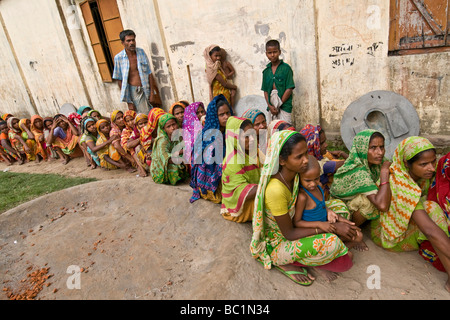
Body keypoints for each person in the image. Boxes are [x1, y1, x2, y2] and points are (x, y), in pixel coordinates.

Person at [250, 131, 354, 285]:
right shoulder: (276, 190)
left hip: (300, 222)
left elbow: (314, 198)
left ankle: (314, 258)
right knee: (334, 244)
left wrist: (328, 213)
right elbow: (289, 233)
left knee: (340, 209)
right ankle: (283, 261)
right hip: (280, 241)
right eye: (299, 157)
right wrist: (327, 228)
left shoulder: (297, 175)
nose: (306, 160)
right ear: (282, 160)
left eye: (306, 153)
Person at [370, 137, 450, 292]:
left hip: (410, 220)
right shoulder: (401, 184)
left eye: (433, 162)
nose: (431, 168)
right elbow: (429, 230)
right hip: (389, 235)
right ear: (406, 163)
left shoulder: (421, 175)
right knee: (433, 210)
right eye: (423, 164)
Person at [294, 155, 365, 251]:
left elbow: (321, 206)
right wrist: (319, 224)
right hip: (315, 232)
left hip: (326, 225)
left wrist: (330, 212)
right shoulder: (303, 197)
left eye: (316, 178)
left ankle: (340, 248)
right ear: (299, 178)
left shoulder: (318, 187)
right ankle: (338, 251)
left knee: (358, 234)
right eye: (308, 180)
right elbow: (297, 222)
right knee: (351, 251)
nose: (313, 184)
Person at [330, 129, 391, 231]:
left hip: (354, 202)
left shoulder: (376, 162)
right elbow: (382, 205)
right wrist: (384, 172)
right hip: (339, 212)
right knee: (370, 202)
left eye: (382, 147)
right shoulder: (358, 171)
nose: (380, 152)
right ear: (361, 149)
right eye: (373, 148)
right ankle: (353, 230)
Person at [189, 95, 232, 203]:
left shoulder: (231, 131)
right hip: (210, 178)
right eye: (221, 114)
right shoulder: (207, 136)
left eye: (228, 113)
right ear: (214, 116)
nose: (226, 117)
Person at [221, 116, 260, 223]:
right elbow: (242, 192)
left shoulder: (253, 151)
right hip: (240, 205)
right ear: (235, 138)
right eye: (247, 136)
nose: (252, 139)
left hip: (256, 192)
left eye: (252, 134)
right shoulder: (232, 162)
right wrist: (267, 186)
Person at [113, 29, 156, 114]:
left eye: (133, 40)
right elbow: (119, 80)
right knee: (145, 115)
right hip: (134, 91)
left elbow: (149, 73)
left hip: (146, 88)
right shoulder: (119, 58)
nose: (131, 43)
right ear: (123, 43)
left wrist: (152, 92)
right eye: (128, 41)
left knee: (154, 113)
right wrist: (128, 101)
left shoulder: (141, 52)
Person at [300, 124, 347, 200]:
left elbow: (329, 154)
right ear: (312, 146)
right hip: (324, 197)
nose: (326, 145)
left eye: (325, 141)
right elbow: (350, 162)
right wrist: (342, 153)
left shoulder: (315, 157)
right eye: (321, 143)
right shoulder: (321, 165)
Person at [261, 39, 295, 124]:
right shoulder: (266, 72)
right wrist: (270, 106)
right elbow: (265, 91)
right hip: (271, 107)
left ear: (279, 52)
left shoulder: (286, 69)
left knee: (285, 129)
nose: (272, 55)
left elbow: (289, 88)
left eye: (275, 52)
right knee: (273, 130)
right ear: (266, 54)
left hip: (284, 105)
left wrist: (279, 103)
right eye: (270, 53)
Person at [150, 113, 188, 185]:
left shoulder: (178, 135)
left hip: (174, 157)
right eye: (168, 126)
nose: (172, 128)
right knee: (175, 167)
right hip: (162, 164)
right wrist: (180, 154)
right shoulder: (162, 140)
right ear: (163, 129)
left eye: (174, 124)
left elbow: (185, 147)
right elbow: (165, 158)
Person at [204, 45, 237, 110]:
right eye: (216, 56)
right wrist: (235, 87)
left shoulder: (217, 65)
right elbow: (224, 84)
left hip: (223, 95)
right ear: (209, 56)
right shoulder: (212, 69)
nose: (218, 58)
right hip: (221, 96)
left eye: (219, 56)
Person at [181, 102, 205, 170]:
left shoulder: (206, 122)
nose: (201, 114)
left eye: (202, 111)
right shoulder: (189, 129)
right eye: (197, 113)